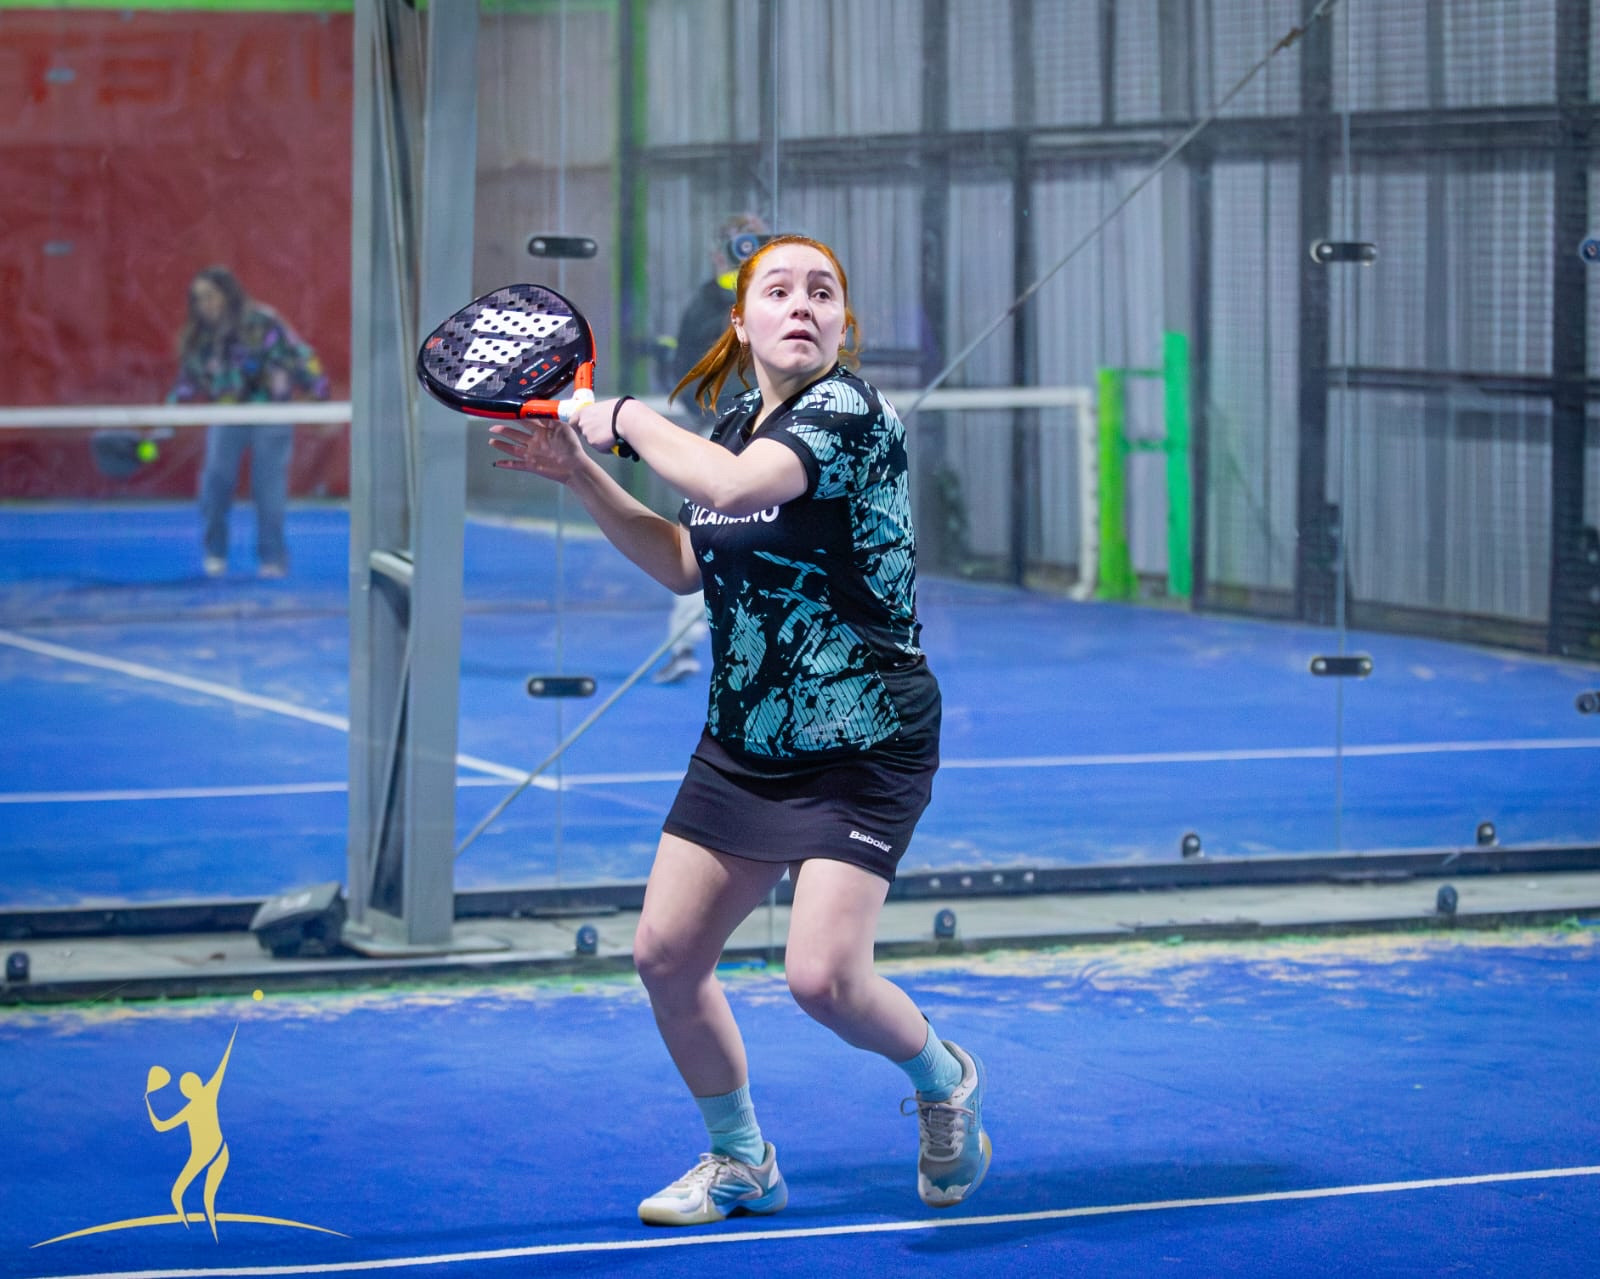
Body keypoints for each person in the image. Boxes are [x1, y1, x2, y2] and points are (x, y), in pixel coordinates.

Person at [488, 235, 990, 1225]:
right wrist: (582, 474)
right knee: (666, 958)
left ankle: (944, 1078)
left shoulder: (847, 413)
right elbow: (688, 559)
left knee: (823, 979)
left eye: (823, 292)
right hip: (747, 736)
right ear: (742, 321)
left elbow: (734, 489)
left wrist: (622, 417)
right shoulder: (729, 423)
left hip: (864, 736)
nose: (802, 305)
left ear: (842, 324)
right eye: (779, 290)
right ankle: (742, 1159)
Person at [651, 213, 770, 684]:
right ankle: (685, 645)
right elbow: (688, 367)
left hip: (768, 435)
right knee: (700, 536)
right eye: (740, 245)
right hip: (722, 433)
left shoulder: (772, 296)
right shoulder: (713, 302)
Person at [170, 266, 329, 579]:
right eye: (199, 298)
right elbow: (188, 381)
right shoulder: (200, 336)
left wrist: (318, 395)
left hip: (271, 415)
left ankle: (272, 559)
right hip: (225, 415)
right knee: (214, 484)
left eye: (211, 296)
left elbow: (300, 356)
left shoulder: (263, 321)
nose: (205, 304)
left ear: (228, 294)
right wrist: (170, 414)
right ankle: (215, 554)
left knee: (269, 490)